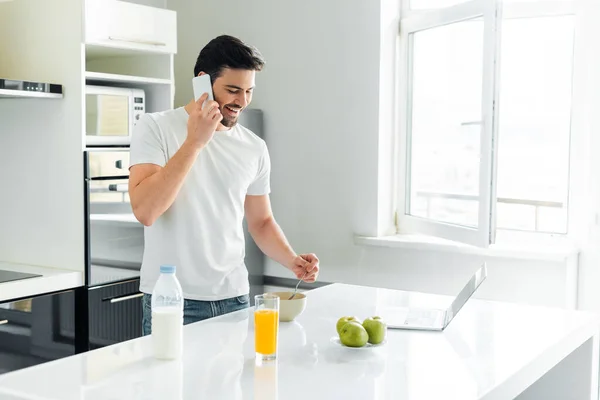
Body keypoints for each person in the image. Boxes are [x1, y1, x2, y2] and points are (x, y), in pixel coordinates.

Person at [128, 35, 320, 335]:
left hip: (235, 298)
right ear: (203, 82)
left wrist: (291, 259)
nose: (241, 102)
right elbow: (146, 210)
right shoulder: (155, 128)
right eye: (233, 90)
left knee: (231, 385)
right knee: (167, 384)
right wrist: (195, 142)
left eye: (248, 91)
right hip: (173, 300)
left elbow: (262, 221)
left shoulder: (254, 147)